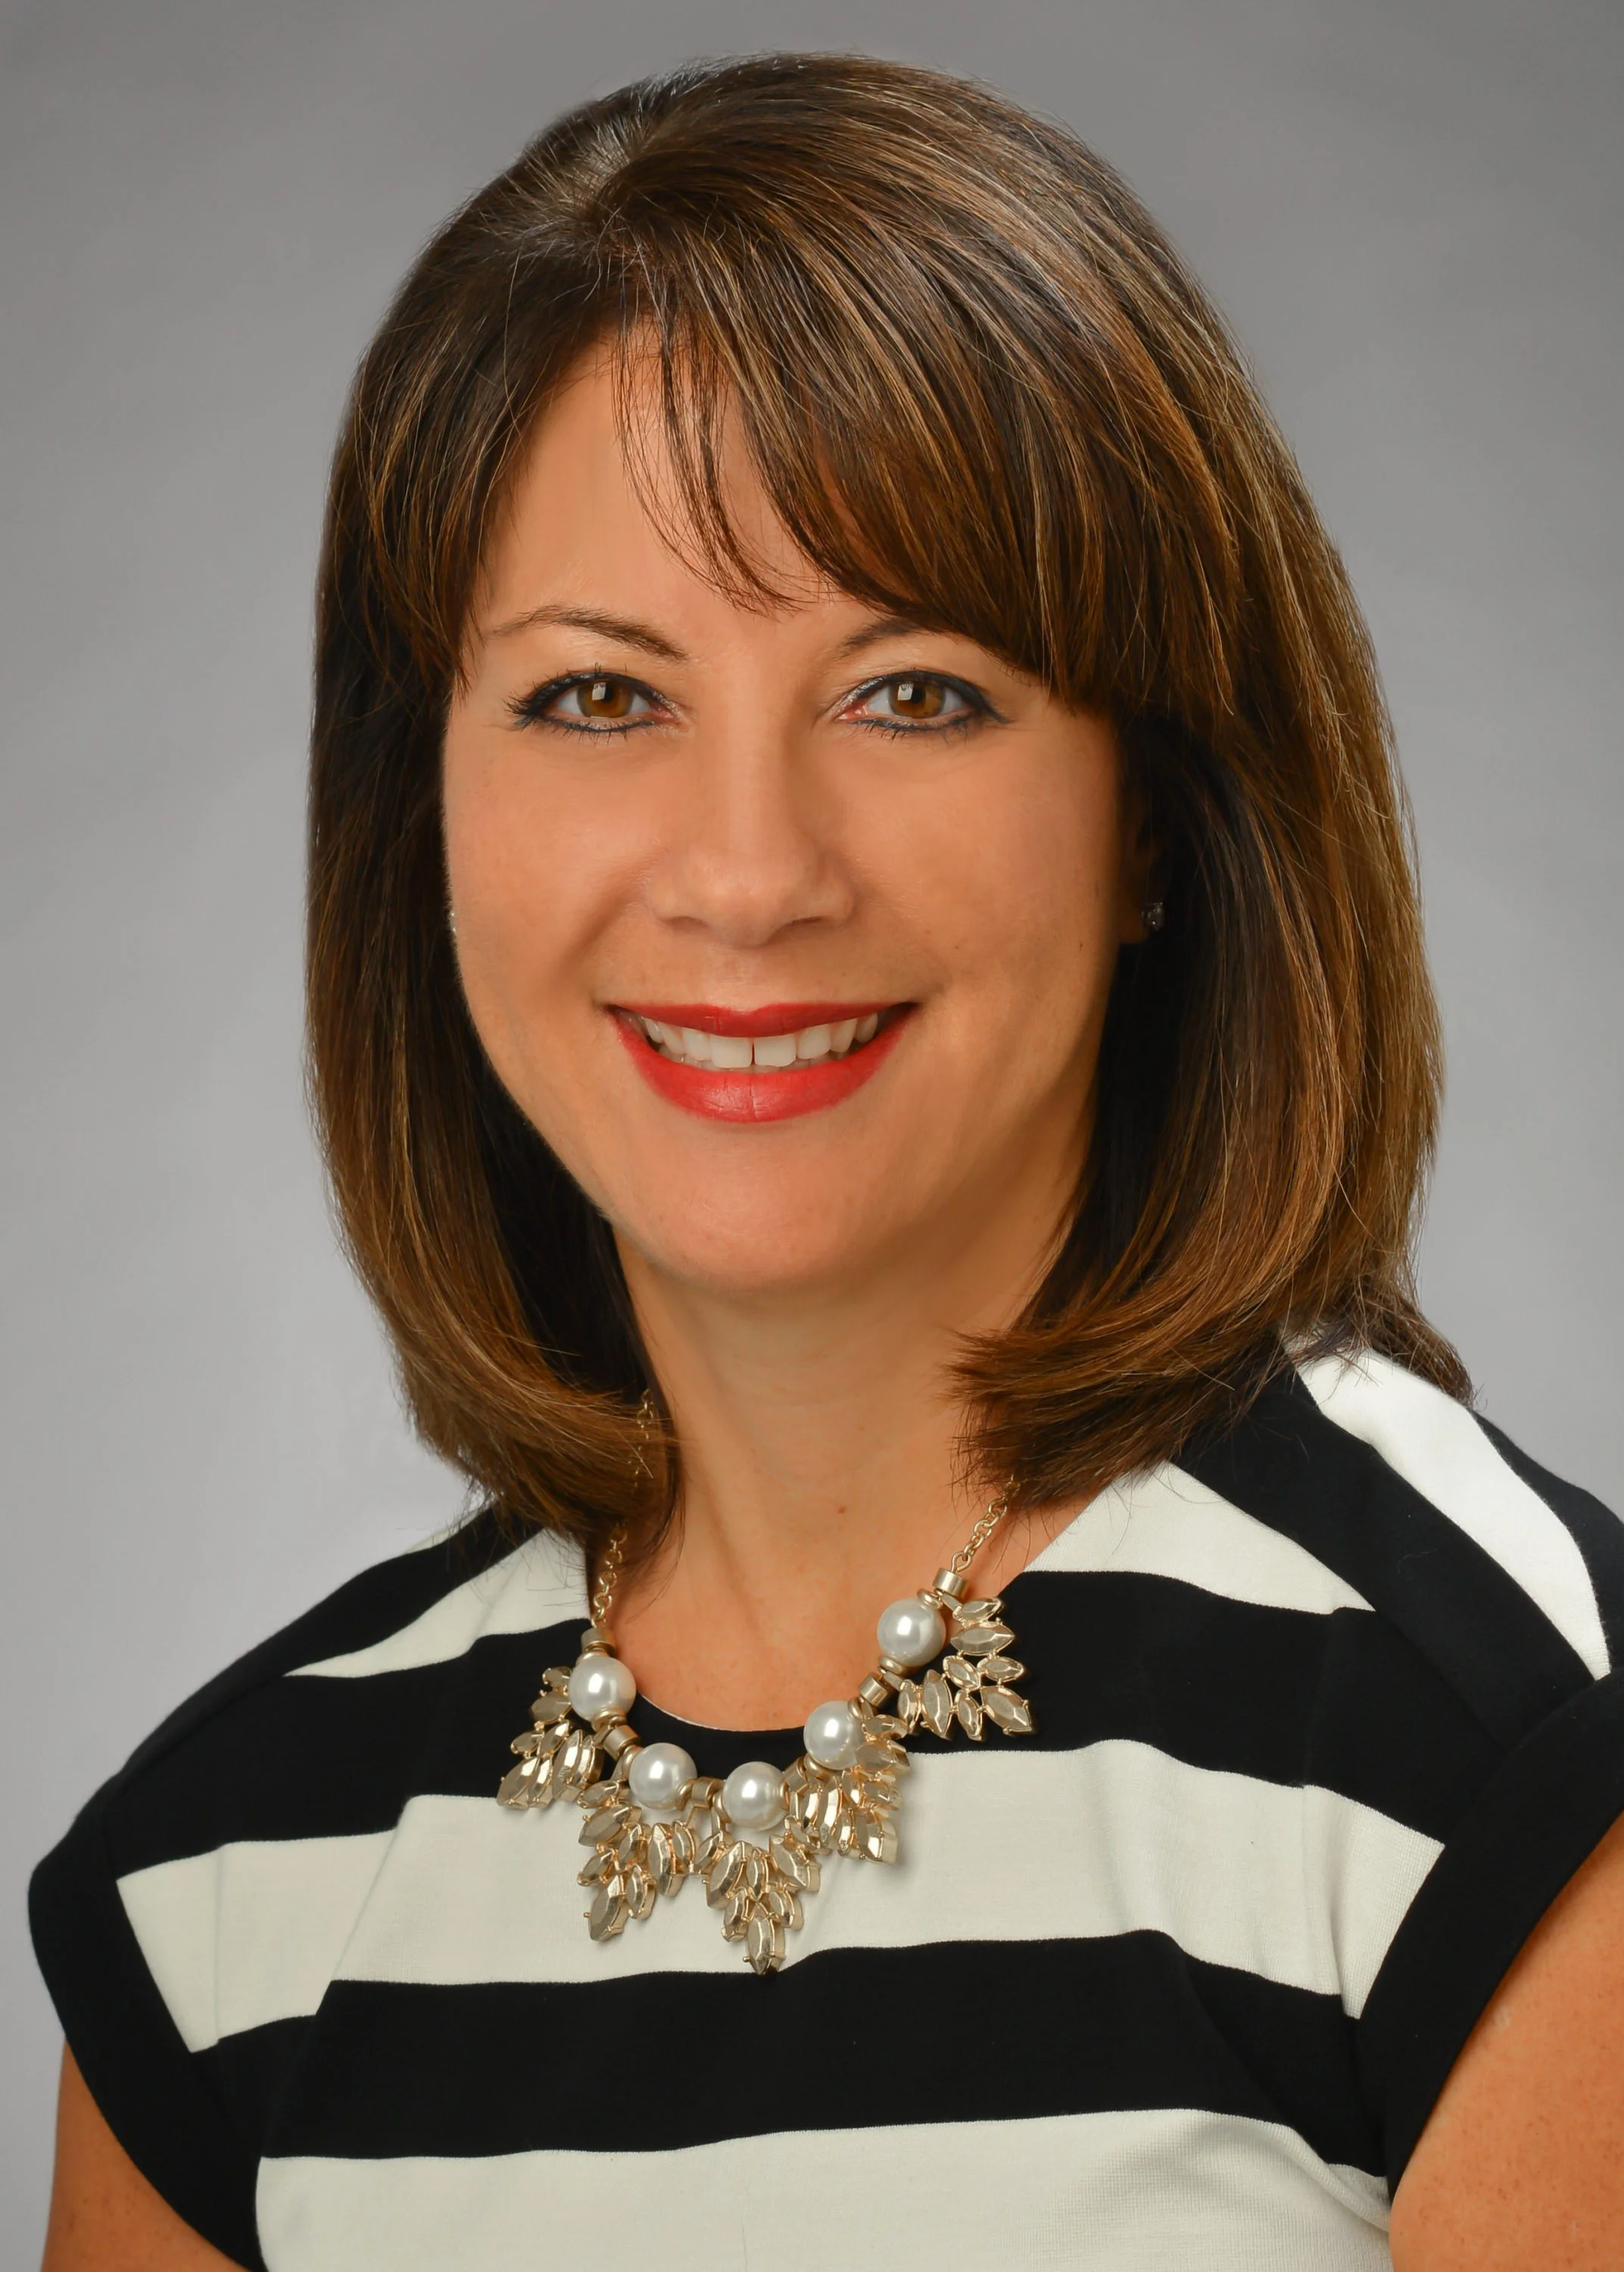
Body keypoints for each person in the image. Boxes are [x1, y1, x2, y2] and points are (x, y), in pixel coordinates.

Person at [32, 51, 1624, 2272]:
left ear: (1153, 810)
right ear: (428, 825)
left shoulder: (1504, 1750)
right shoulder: (218, 1893)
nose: (749, 873)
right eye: (601, 696)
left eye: (917, 692)